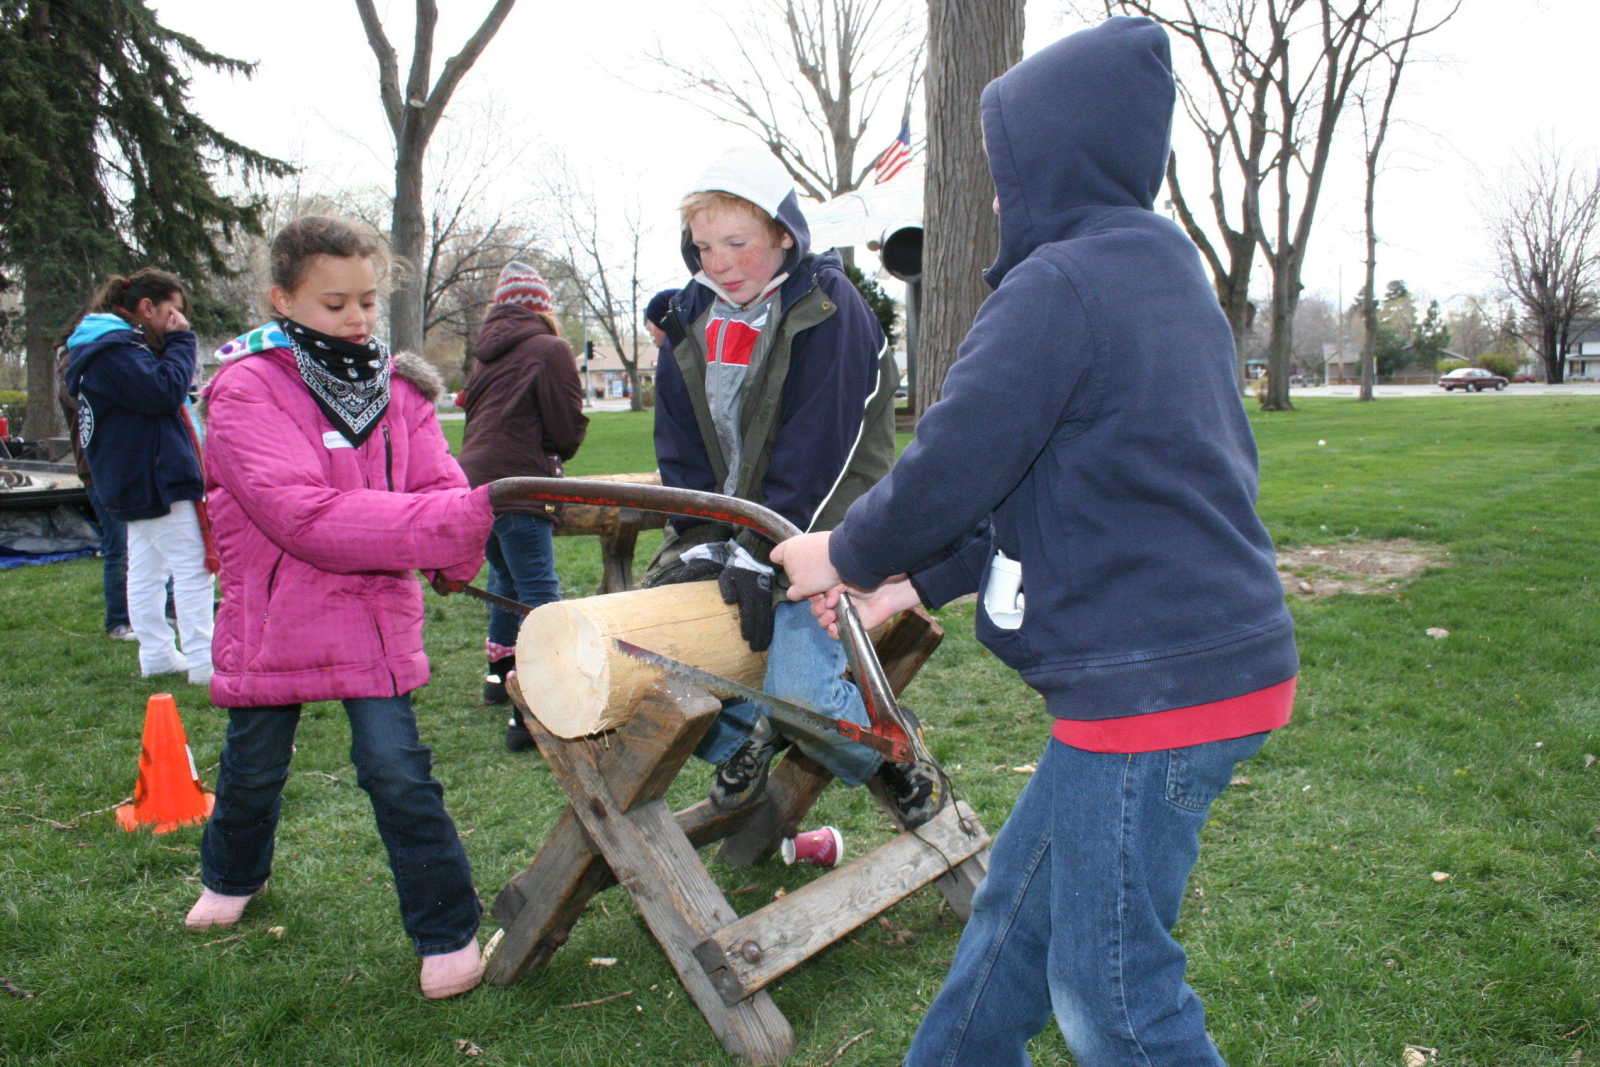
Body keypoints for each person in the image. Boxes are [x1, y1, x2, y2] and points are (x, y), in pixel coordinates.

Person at [772, 18, 1299, 1065]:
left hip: (1151, 688)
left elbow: (960, 456)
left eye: (1005, 169)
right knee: (1017, 915)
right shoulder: (1160, 272)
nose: (996, 197)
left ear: (1058, 157)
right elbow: (1055, 479)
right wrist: (913, 580)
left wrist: (846, 552)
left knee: (1112, 995)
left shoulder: (1059, 283)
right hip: (1191, 663)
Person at [189, 215, 494, 1000]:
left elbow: (439, 485)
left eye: (366, 300)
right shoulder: (245, 389)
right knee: (254, 766)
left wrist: (456, 549)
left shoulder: (399, 388)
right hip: (275, 617)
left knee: (397, 770)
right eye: (335, 304)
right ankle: (232, 874)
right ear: (282, 299)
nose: (357, 318)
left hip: (372, 614)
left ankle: (447, 928)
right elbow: (304, 515)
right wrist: (445, 528)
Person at [645, 148, 942, 827]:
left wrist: (758, 550)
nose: (720, 262)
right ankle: (748, 734)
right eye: (704, 247)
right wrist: (698, 540)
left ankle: (893, 754)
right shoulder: (689, 316)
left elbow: (819, 451)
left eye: (737, 242)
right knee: (654, 663)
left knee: (805, 697)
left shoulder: (829, 309)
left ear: (785, 233)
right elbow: (683, 449)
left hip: (829, 529)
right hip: (734, 529)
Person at [457, 260, 588, 751]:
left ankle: (499, 677)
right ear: (541, 308)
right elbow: (564, 426)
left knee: (505, 580)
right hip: (519, 481)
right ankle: (532, 710)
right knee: (538, 592)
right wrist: (559, 448)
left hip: (475, 483)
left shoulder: (486, 355)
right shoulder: (550, 349)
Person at [63, 270, 215, 683]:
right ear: (147, 308)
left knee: (148, 569)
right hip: (156, 477)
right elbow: (163, 391)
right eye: (173, 312)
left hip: (131, 476)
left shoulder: (101, 349)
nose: (178, 321)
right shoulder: (117, 350)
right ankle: (204, 660)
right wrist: (182, 341)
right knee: (192, 568)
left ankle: (158, 655)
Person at [56, 345, 132, 640]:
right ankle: (118, 620)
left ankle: (165, 606)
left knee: (145, 545)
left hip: (123, 468)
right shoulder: (73, 371)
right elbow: (88, 404)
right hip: (98, 470)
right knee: (118, 545)